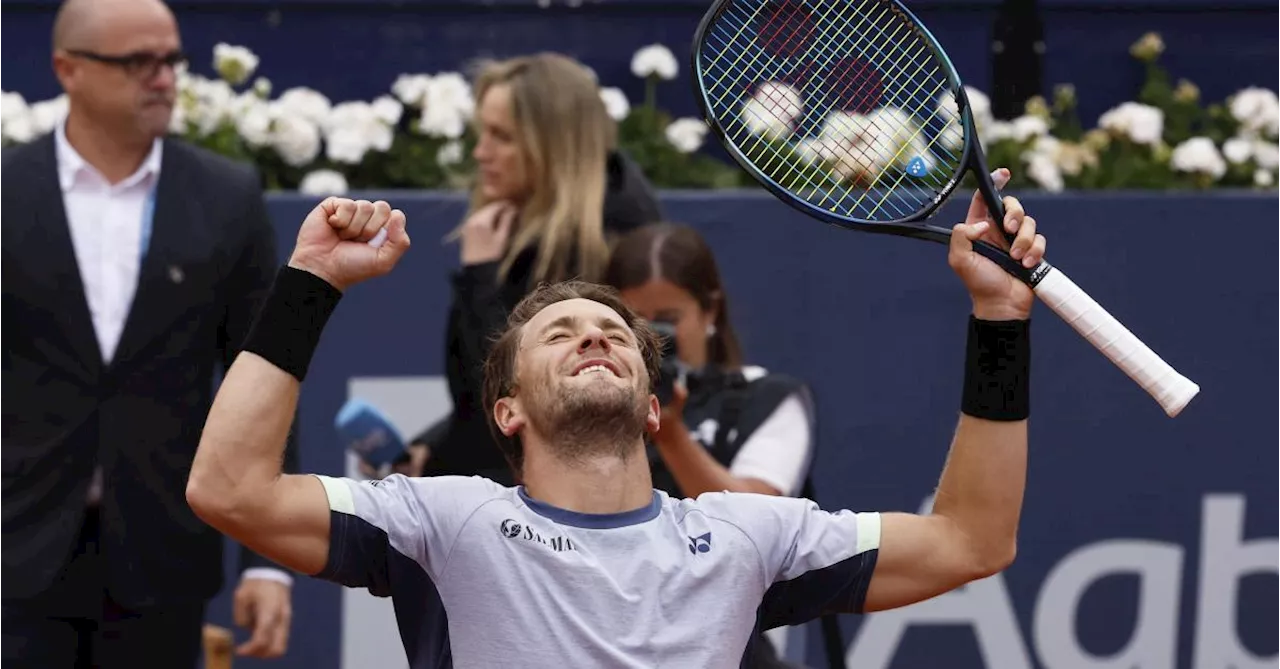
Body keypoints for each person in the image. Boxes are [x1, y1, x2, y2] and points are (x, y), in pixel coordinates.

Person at [187, 166, 1049, 667]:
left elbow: (973, 540)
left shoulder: (750, 535)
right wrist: (311, 281)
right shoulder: (441, 522)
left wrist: (1000, 323)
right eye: (560, 333)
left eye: (616, 335)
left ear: (649, 404)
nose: (594, 337)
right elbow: (229, 486)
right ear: (508, 409)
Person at [0, 0, 296, 666]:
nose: (163, 78)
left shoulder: (227, 195)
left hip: (162, 557)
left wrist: (268, 558)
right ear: (67, 69)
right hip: (13, 553)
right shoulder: (8, 189)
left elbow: (266, 372)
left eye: (171, 59)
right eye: (138, 61)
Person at [395, 52, 663, 486]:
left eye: (502, 136)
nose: (481, 153)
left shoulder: (615, 248)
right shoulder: (522, 227)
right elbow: (482, 404)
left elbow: (517, 388)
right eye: (482, 133)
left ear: (552, 145)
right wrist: (438, 444)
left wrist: (481, 273)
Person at [605, 223, 817, 668]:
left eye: (667, 319)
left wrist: (670, 433)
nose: (650, 340)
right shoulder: (589, 403)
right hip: (603, 633)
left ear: (709, 311)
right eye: (629, 323)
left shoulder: (768, 397)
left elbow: (754, 520)